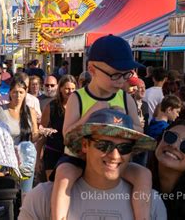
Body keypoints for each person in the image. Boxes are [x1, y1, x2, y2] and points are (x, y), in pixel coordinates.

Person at [55, 35, 150, 220]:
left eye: (126, 74)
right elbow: (67, 135)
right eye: (115, 74)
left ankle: (143, 216)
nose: (121, 81)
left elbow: (139, 131)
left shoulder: (125, 98)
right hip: (78, 158)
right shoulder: (78, 98)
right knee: (63, 175)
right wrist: (90, 115)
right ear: (92, 69)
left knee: (143, 175)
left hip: (115, 158)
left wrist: (125, 123)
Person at [19, 109, 165, 220]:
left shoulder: (152, 202)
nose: (115, 155)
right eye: (103, 145)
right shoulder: (43, 197)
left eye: (124, 148)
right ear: (85, 145)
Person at [1, 78, 39, 193]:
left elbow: (34, 136)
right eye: (15, 92)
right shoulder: (1, 111)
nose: (18, 96)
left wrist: (41, 133)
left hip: (26, 158)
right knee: (8, 193)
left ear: (25, 93)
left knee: (25, 193)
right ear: (10, 93)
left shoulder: (30, 111)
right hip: (6, 158)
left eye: (21, 92)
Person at [40, 75, 77, 178]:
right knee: (51, 185)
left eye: (73, 89)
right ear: (60, 89)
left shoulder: (78, 107)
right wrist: (39, 156)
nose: (70, 91)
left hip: (71, 153)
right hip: (53, 151)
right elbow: (41, 132)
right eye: (67, 89)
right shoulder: (51, 107)